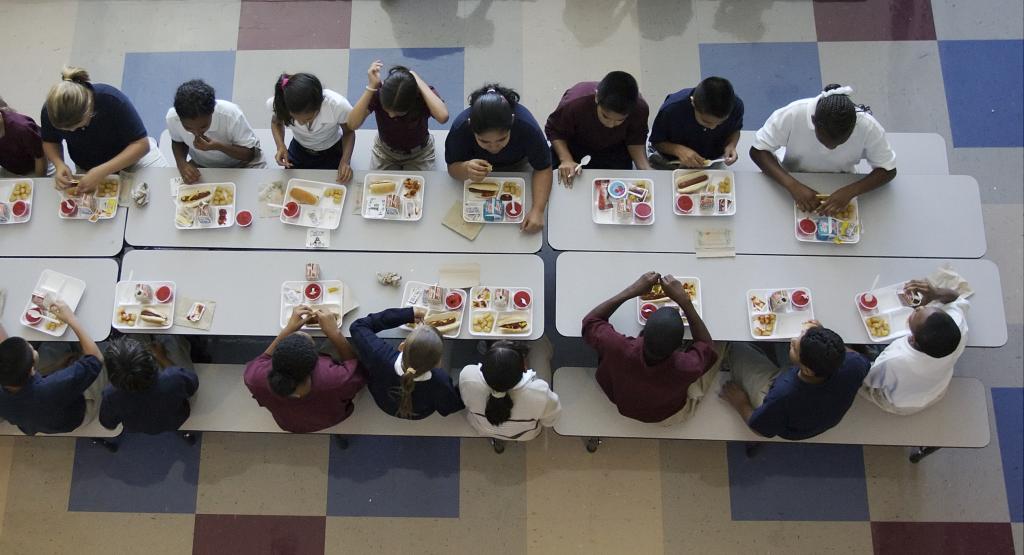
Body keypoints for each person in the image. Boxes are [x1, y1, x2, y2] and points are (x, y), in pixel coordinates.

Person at [582, 272, 719, 424]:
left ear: (642, 333)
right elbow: (707, 346)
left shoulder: (617, 347)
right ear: (682, 346)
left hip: (617, 395)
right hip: (665, 412)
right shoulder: (687, 366)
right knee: (720, 346)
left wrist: (633, 290)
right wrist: (685, 302)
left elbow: (590, 322)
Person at [750, 84, 897, 216]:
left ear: (854, 127)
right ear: (813, 121)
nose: (832, 147)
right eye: (825, 141)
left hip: (842, 181)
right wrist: (792, 185)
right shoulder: (794, 114)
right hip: (791, 175)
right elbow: (758, 151)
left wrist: (851, 191)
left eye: (840, 142)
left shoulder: (868, 127)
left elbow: (888, 170)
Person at [720, 321, 869, 440]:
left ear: (807, 370)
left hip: (794, 427)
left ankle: (732, 356)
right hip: (827, 411)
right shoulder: (854, 365)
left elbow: (759, 428)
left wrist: (741, 403)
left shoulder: (783, 394)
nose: (792, 340)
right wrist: (821, 336)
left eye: (794, 348)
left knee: (736, 347)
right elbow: (854, 357)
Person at [40, 66, 166, 194]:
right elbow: (50, 141)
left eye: (77, 126)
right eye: (66, 130)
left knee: (161, 191)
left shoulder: (111, 100)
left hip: (132, 159)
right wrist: (59, 163)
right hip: (89, 169)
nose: (72, 132)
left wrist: (103, 171)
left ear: (89, 108)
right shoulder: (51, 111)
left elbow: (141, 145)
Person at [445, 84, 553, 233]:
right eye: (484, 141)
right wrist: (464, 169)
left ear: (512, 122)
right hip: (475, 174)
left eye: (502, 139)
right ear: (470, 126)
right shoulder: (460, 128)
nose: (494, 147)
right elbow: (452, 167)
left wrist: (538, 210)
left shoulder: (527, 127)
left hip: (518, 165)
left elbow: (543, 167)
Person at [244, 306, 366, 433]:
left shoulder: (254, 378)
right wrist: (334, 333)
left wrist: (288, 329)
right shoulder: (336, 380)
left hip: (289, 424)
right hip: (332, 417)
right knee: (354, 344)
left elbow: (262, 359)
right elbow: (357, 371)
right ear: (317, 362)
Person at [861, 280, 969, 415]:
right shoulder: (959, 325)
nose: (920, 307)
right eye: (927, 307)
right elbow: (957, 299)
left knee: (855, 363)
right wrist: (935, 293)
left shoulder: (895, 359)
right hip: (938, 390)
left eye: (915, 314)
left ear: (912, 338)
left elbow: (868, 378)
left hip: (902, 404)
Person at [0, 304, 103, 435]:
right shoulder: (54, 386)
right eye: (31, 349)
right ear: (31, 368)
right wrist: (71, 319)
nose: (32, 347)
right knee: (103, 357)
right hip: (75, 416)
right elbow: (96, 359)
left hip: (36, 420)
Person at [348, 306, 464, 419]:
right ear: (438, 363)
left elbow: (357, 326)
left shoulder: (378, 354)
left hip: (384, 403)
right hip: (420, 413)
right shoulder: (440, 381)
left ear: (402, 346)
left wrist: (407, 314)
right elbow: (448, 408)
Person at [545, 71, 650, 186]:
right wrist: (566, 159)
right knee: (560, 184)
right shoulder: (576, 103)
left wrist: (646, 170)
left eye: (619, 120)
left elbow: (635, 140)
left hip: (614, 152)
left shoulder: (640, 109)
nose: (611, 124)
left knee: (617, 192)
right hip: (574, 148)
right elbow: (555, 130)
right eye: (605, 116)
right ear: (596, 97)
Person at [346, 60, 449, 171]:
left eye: (398, 113)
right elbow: (352, 124)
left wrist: (417, 80)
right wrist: (371, 86)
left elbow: (443, 116)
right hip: (385, 152)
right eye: (387, 110)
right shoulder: (380, 93)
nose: (391, 115)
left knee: (418, 187)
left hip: (420, 154)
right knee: (375, 185)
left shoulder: (422, 97)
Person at [458, 340, 560, 442]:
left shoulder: (467, 377)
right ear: (525, 368)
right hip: (524, 435)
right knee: (539, 342)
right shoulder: (540, 392)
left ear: (482, 368)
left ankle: (481, 346)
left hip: (482, 428)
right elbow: (549, 421)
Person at [166, 79, 263, 184]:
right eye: (188, 128)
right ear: (179, 118)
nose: (197, 133)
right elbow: (177, 141)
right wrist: (181, 163)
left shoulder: (231, 115)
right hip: (203, 165)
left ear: (212, 112)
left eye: (203, 127)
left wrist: (218, 146)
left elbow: (250, 154)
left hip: (242, 163)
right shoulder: (173, 118)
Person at [99, 336, 199, 434]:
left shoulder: (110, 395)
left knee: (136, 336)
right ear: (152, 362)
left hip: (140, 427)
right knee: (170, 338)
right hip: (177, 417)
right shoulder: (173, 378)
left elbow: (108, 424)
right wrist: (161, 357)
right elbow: (193, 385)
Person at [268, 72, 355, 183]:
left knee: (334, 185)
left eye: (308, 119)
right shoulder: (281, 102)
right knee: (290, 184)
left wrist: (345, 161)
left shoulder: (338, 105)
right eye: (295, 119)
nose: (301, 123)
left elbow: (349, 132)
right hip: (299, 147)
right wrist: (280, 146)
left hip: (331, 149)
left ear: (319, 105)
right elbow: (276, 123)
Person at [648, 76, 744, 169]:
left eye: (721, 122)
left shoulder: (736, 106)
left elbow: (735, 130)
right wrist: (678, 150)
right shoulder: (672, 109)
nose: (713, 127)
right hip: (673, 159)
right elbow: (657, 142)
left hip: (711, 159)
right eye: (706, 122)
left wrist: (731, 145)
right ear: (692, 102)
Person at [0, 95, 47, 176]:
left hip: (38, 163)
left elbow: (40, 157)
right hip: (11, 166)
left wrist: (38, 179)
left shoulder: (22, 128)